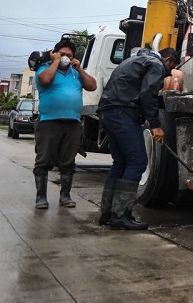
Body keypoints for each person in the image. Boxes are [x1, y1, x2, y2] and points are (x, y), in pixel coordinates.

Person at [97, 46, 179, 230]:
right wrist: (156, 125)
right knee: (137, 162)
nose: (168, 73)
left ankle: (108, 213)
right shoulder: (156, 64)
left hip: (108, 112)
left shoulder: (135, 59)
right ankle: (121, 216)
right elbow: (147, 94)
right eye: (171, 67)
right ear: (168, 60)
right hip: (122, 112)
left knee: (121, 163)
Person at [33, 39, 97, 209]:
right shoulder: (44, 69)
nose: (65, 58)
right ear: (55, 54)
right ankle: (41, 197)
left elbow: (92, 86)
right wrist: (55, 61)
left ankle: (65, 196)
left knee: (68, 162)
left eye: (69, 55)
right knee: (44, 160)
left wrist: (80, 68)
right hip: (48, 122)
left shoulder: (76, 73)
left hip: (73, 123)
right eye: (62, 55)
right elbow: (45, 80)